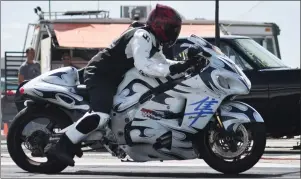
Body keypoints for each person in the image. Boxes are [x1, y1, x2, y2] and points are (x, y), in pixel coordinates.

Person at [45, 4, 206, 167]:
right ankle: (62, 145)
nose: (174, 32)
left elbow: (162, 63)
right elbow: (145, 65)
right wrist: (176, 67)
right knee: (101, 115)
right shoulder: (142, 35)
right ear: (159, 25)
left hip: (116, 78)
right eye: (171, 28)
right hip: (101, 75)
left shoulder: (153, 41)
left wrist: (185, 65)